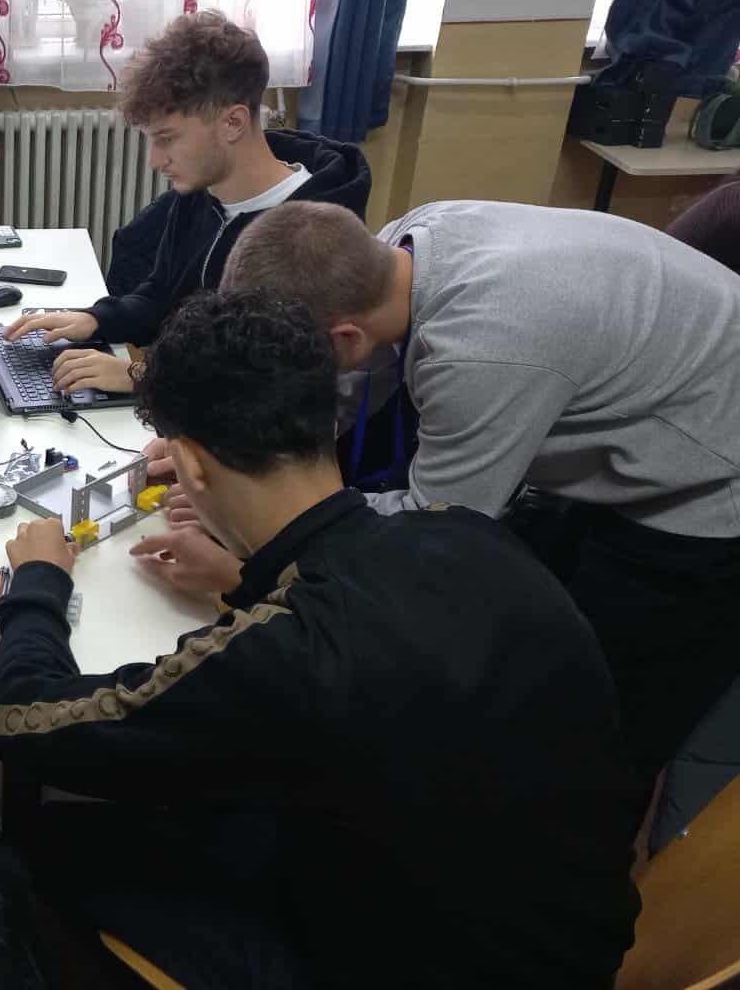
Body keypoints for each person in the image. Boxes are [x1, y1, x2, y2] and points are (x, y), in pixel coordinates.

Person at [0, 289, 640, 989]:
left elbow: (26, 721)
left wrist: (40, 582)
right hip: (567, 940)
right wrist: (242, 577)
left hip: (422, 966)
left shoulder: (288, 653)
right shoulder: (464, 532)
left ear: (190, 465)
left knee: (42, 836)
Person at [220, 198, 740, 800]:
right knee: (527, 644)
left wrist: (271, 515)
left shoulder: (482, 349)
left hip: (708, 488)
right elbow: (358, 380)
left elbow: (437, 526)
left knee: (597, 717)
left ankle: (579, 832)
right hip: (647, 397)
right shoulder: (403, 245)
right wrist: (245, 453)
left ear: (344, 335)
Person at [0, 10, 369, 396]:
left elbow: (266, 382)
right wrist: (96, 319)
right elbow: (162, 295)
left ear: (233, 122)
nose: (155, 160)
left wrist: (142, 376)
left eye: (167, 139)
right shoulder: (203, 194)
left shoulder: (310, 234)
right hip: (184, 395)